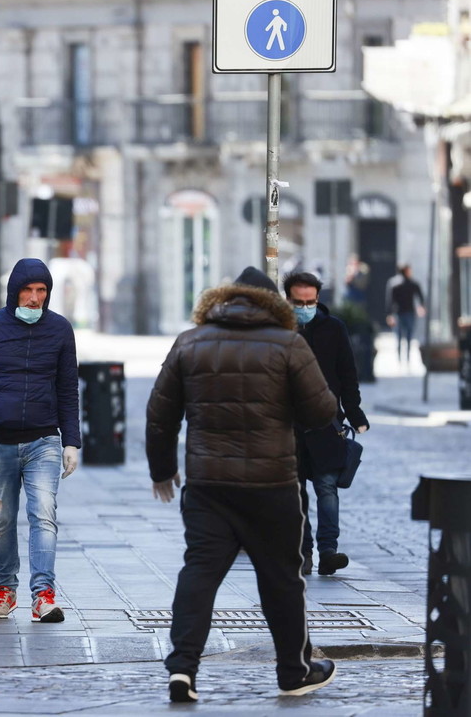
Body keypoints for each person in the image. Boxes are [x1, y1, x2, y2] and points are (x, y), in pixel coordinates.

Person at [145, 266, 338, 703]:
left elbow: (160, 413)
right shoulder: (289, 344)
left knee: (199, 572)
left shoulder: (190, 342)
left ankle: (182, 669)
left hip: (208, 485)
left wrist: (162, 470)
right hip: (272, 486)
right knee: (282, 579)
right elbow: (322, 411)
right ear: (274, 304)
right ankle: (294, 671)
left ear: (225, 300)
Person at [0, 258, 81, 623]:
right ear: (14, 292)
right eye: (27, 290)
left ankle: (43, 595)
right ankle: (5, 590)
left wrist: (71, 441)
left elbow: (68, 389)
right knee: (2, 518)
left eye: (41, 290)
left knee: (44, 515)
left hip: (44, 440)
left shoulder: (60, 329)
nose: (34, 298)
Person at [284, 272, 370, 577]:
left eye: (310, 301)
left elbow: (348, 374)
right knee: (295, 493)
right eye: (299, 302)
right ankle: (303, 553)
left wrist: (355, 414)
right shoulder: (280, 330)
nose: (305, 307)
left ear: (318, 299)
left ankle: (328, 552)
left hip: (327, 423)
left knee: (327, 488)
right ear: (288, 300)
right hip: (289, 426)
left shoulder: (334, 328)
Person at [386, 264, 426, 362]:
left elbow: (389, 301)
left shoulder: (394, 284)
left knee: (399, 336)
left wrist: (389, 314)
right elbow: (420, 296)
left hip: (399, 312)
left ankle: (400, 358)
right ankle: (406, 358)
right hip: (407, 312)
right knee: (408, 335)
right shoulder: (411, 283)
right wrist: (421, 306)